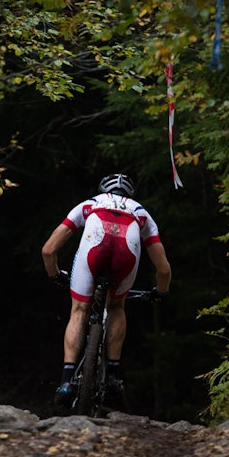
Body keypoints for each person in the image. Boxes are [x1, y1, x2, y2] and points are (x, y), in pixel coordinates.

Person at [41, 173, 172, 405]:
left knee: (80, 310)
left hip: (95, 245)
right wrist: (160, 291)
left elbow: (48, 250)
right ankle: (112, 376)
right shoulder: (141, 213)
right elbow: (163, 270)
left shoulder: (89, 204)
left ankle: (66, 381)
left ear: (104, 190)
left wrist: (55, 275)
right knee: (117, 306)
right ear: (130, 194)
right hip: (126, 253)